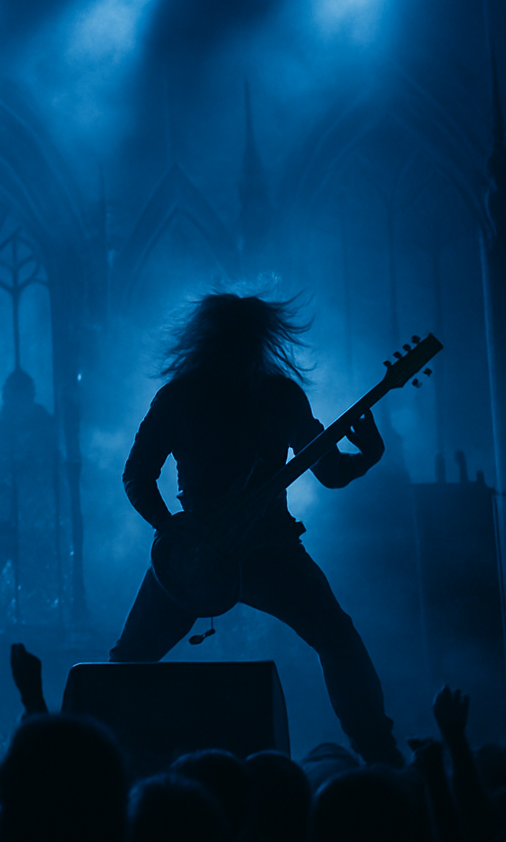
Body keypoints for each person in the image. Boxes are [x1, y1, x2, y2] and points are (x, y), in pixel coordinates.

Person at [109, 294, 400, 766]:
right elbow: (136, 476)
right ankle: (382, 757)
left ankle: (102, 765)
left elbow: (136, 476)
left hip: (251, 549)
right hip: (231, 551)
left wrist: (176, 537)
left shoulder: (230, 395)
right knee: (337, 638)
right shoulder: (235, 395)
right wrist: (175, 536)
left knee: (129, 661)